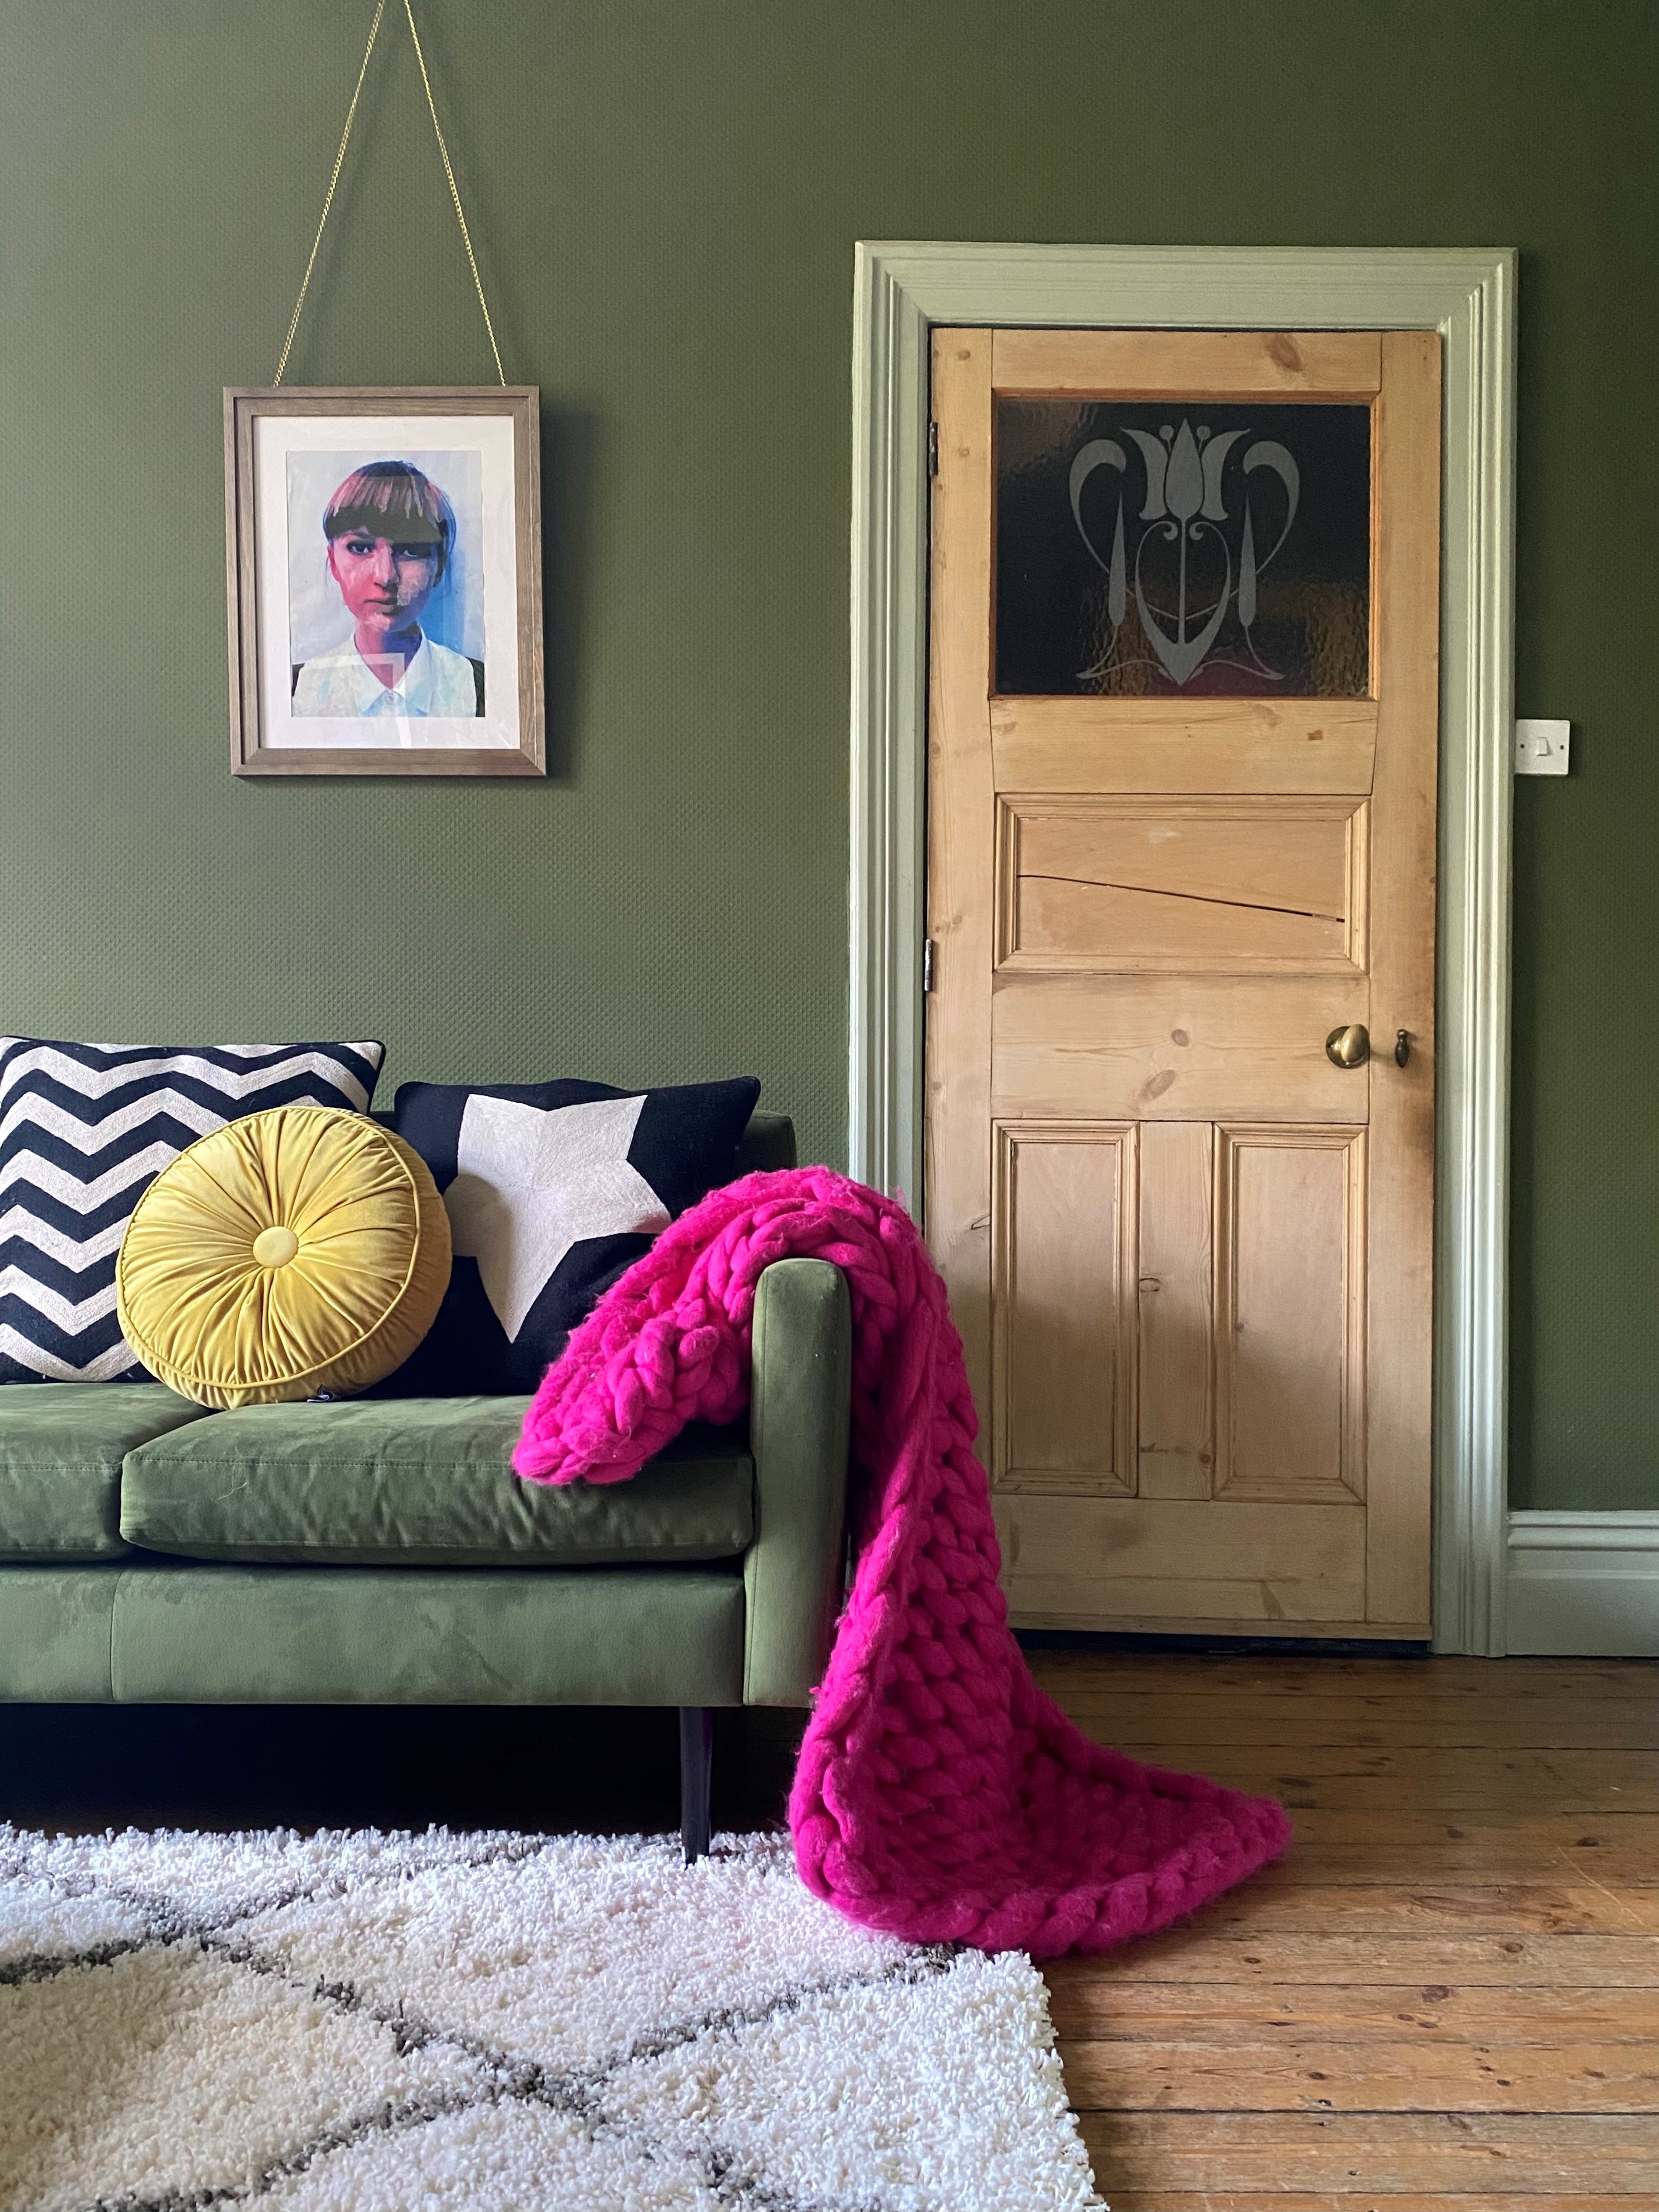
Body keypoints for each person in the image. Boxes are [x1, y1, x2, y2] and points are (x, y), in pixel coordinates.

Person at [291, 460, 484, 717]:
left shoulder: (480, 690)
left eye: (411, 550)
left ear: (439, 566)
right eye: (361, 548)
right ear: (334, 562)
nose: (386, 576)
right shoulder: (297, 692)